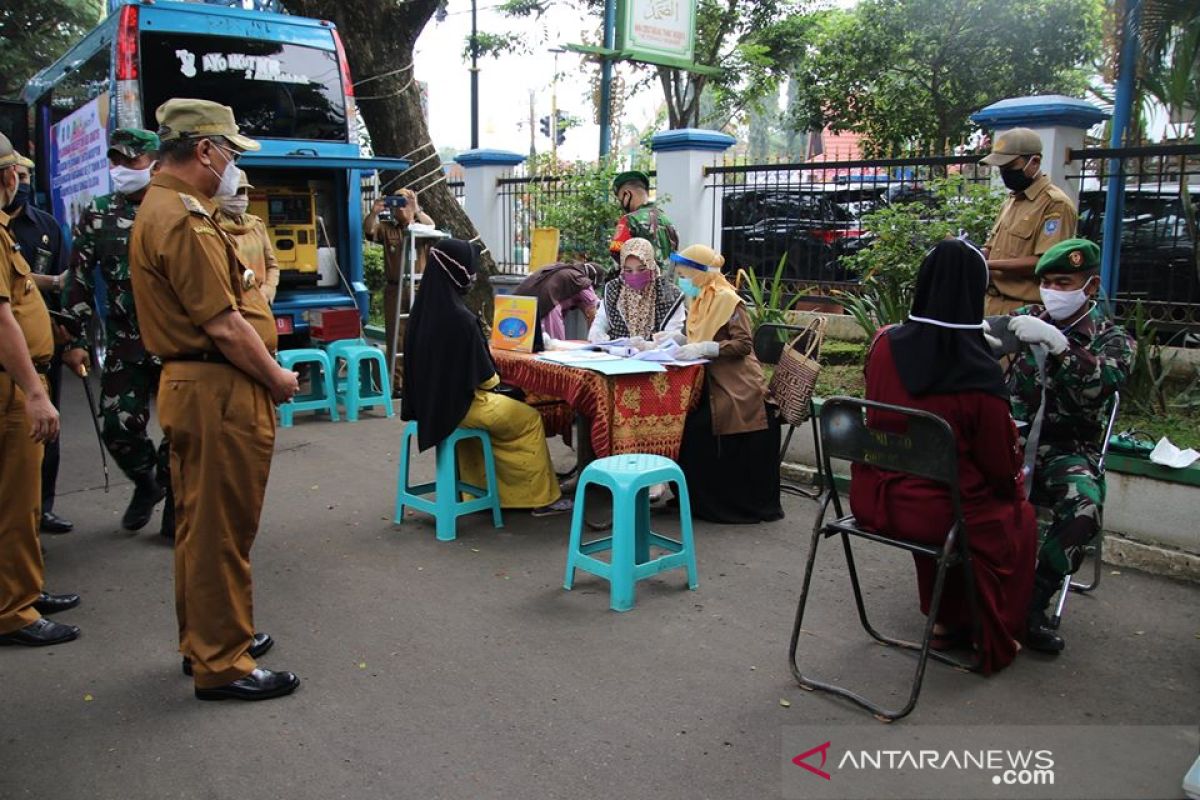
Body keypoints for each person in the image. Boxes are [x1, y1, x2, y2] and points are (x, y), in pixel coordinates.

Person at [129, 98, 301, 701]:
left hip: (205, 386)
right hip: (216, 388)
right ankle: (222, 663)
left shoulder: (175, 210)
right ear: (204, 150)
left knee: (205, 527)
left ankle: (208, 640)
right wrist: (277, 377)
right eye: (229, 151)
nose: (233, 165)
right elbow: (225, 324)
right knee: (219, 532)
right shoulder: (182, 218)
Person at [849, 239, 1037, 673]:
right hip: (937, 514)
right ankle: (989, 629)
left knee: (948, 494)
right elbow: (1001, 469)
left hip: (874, 498)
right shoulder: (978, 375)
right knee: (1016, 516)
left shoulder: (883, 345)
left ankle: (945, 622)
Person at [991, 238, 1133, 654]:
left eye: (1064, 281)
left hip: (1067, 449)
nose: (1053, 290)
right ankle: (969, 591)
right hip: (1012, 439)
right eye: (1047, 282)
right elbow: (981, 343)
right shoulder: (1027, 317)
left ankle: (1034, 603)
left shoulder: (1112, 339)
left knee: (1083, 507)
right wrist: (983, 342)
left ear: (1089, 287)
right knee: (954, 480)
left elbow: (1101, 385)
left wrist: (1060, 346)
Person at [402, 238, 569, 516]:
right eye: (469, 268)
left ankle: (480, 491)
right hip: (463, 407)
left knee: (502, 419)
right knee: (528, 419)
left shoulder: (419, 312)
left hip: (431, 407)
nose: (473, 275)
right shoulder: (460, 318)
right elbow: (487, 380)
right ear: (456, 272)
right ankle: (540, 499)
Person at [62, 128, 174, 538]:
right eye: (116, 161)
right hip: (126, 340)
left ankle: (176, 508)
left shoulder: (176, 207)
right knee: (117, 425)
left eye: (131, 161)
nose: (121, 169)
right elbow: (77, 278)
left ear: (155, 163)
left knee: (182, 429)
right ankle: (148, 483)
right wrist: (74, 340)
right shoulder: (100, 211)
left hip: (175, 339)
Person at [0, 133, 81, 647]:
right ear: (8, 176)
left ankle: (24, 590)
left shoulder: (9, 231)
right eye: (17, 174)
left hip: (20, 379)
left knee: (24, 500)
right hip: (11, 384)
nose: (19, 182)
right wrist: (33, 389)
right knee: (13, 502)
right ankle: (14, 610)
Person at [670, 244, 783, 524]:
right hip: (710, 379)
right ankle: (692, 497)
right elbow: (694, 338)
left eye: (686, 274)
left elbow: (744, 344)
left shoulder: (727, 299)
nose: (683, 280)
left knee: (696, 433)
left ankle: (714, 503)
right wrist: (677, 341)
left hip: (736, 384)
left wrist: (708, 348)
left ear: (700, 274)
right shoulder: (700, 300)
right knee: (683, 427)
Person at [5, 153, 74, 534]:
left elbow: (64, 284)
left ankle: (42, 508)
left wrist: (71, 338)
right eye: (18, 174)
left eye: (29, 174)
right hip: (10, 361)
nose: (22, 181)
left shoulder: (45, 226)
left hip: (46, 347)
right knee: (17, 451)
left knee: (49, 432)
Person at [980, 128, 1077, 316]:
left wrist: (989, 265)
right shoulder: (1011, 201)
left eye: (1010, 167)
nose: (1004, 173)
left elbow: (1045, 262)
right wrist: (969, 253)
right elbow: (991, 249)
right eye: (1001, 168)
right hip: (991, 304)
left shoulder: (1055, 204)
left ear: (1035, 162)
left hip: (1025, 310)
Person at [364, 187, 434, 387]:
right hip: (395, 288)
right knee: (396, 336)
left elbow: (432, 226)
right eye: (397, 203)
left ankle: (419, 381)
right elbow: (369, 230)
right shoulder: (387, 228)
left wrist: (416, 209)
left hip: (418, 288)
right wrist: (374, 212)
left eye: (404, 203)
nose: (400, 208)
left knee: (420, 333)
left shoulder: (421, 227)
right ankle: (397, 384)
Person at [588, 237, 685, 344]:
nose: (635, 275)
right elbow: (600, 323)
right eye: (628, 270)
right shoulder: (614, 289)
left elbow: (674, 336)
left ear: (651, 266)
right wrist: (597, 335)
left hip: (656, 358)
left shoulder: (669, 294)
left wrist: (651, 346)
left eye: (642, 269)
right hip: (617, 356)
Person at [214, 169, 279, 304]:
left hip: (259, 301)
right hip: (231, 305)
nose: (240, 197)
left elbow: (272, 265)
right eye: (234, 192)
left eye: (243, 192)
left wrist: (267, 290)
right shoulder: (210, 225)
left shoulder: (256, 224)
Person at [608, 171, 679, 276]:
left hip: (639, 288)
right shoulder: (667, 221)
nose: (621, 205)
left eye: (621, 200)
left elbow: (616, 261)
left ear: (627, 194)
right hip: (667, 289)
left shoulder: (629, 221)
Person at [514, 261, 601, 340]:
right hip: (547, 305)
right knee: (555, 347)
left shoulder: (561, 270)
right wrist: (593, 341)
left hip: (516, 303)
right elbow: (594, 313)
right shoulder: (582, 281)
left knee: (519, 342)